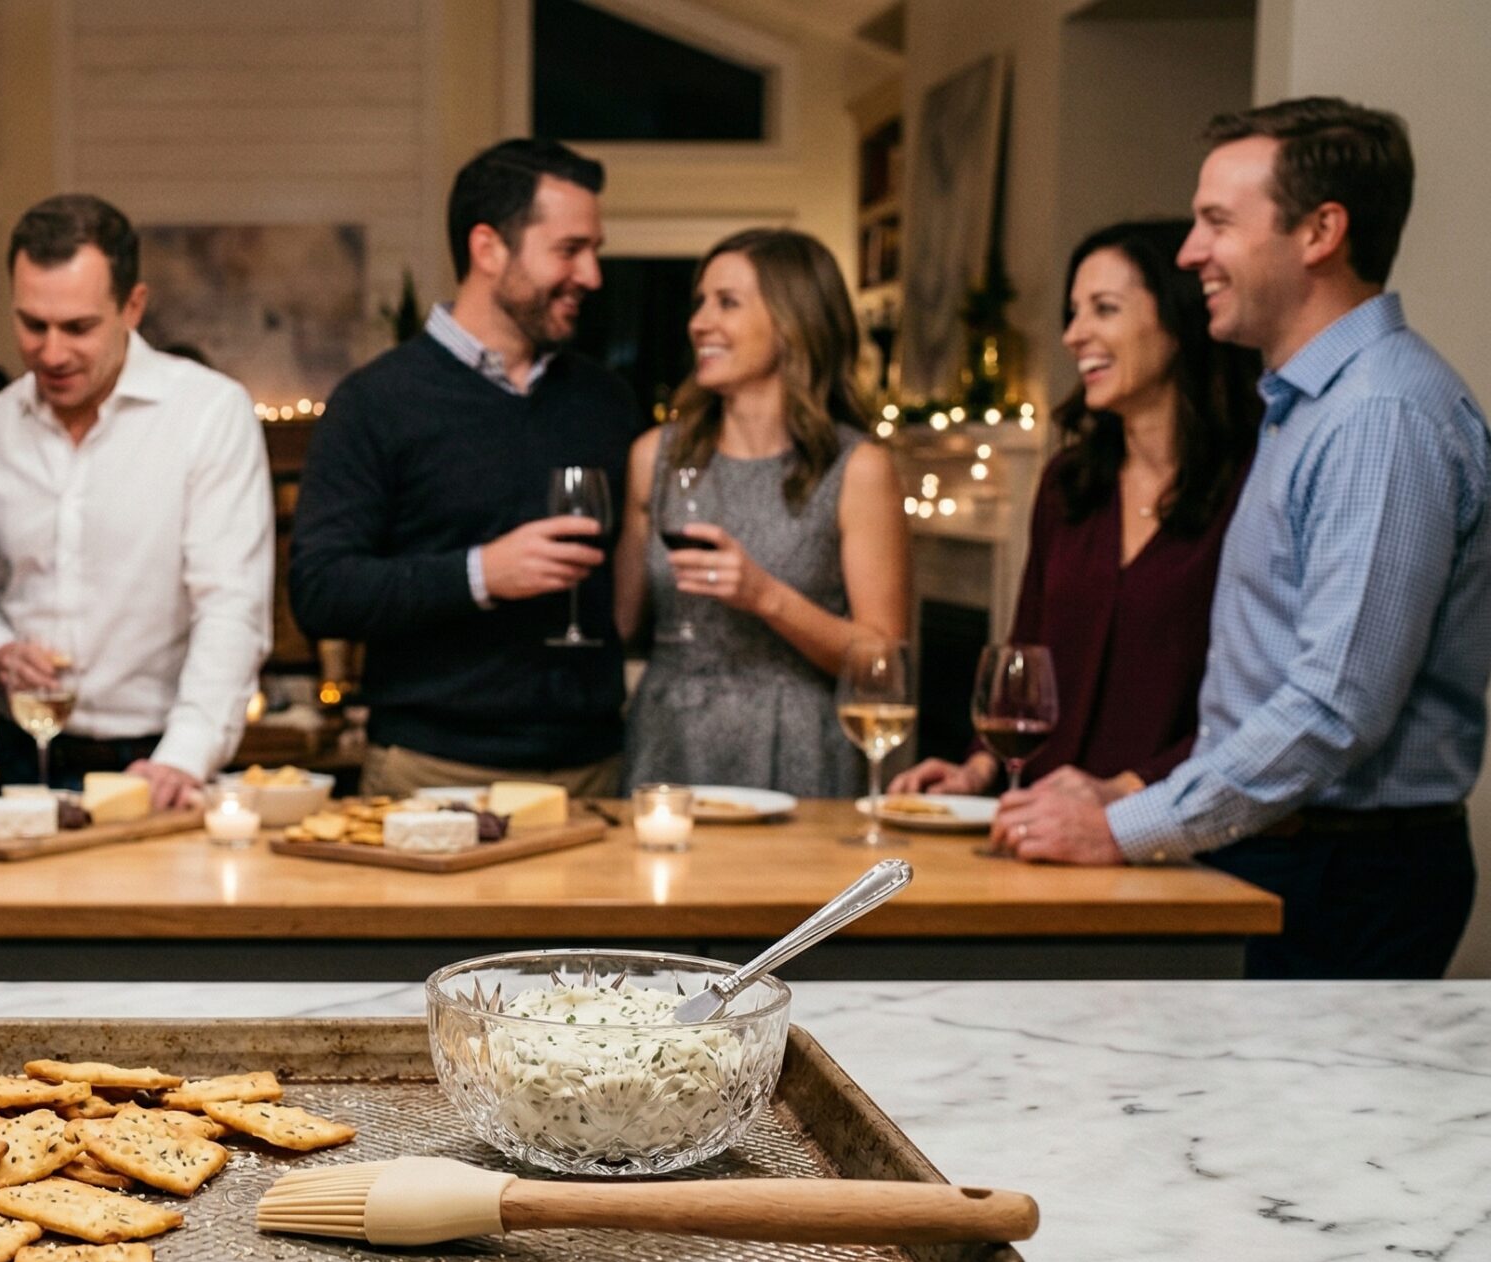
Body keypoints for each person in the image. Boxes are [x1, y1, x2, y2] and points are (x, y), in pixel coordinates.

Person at [994, 98, 1490, 980]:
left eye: (1217, 222)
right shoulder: (1305, 405)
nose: (1191, 253)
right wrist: (1120, 793)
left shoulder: (1377, 416)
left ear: (1320, 232)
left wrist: (1122, 826)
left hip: (1343, 870)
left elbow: (1336, 707)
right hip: (1279, 847)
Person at [292, 139, 637, 798]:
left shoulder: (606, 401)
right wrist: (483, 573)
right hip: (433, 774)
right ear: (488, 249)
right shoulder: (377, 401)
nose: (592, 275)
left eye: (594, 249)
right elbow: (322, 589)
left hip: (594, 773)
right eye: (569, 250)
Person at [896, 220, 1260, 799]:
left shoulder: (1254, 485)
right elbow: (1024, 655)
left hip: (1178, 836)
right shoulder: (1068, 485)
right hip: (1043, 827)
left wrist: (1120, 793)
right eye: (1074, 312)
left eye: (1104, 309)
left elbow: (1254, 704)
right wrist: (976, 769)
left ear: (1179, 317)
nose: (1074, 334)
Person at [0, 195, 273, 807]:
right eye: (31, 324)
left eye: (77, 328)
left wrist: (183, 758)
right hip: (18, 755)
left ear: (133, 306)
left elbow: (231, 607)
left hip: (154, 757)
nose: (51, 352)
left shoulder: (208, 413)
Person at [617, 229, 909, 798]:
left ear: (793, 321)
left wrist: (765, 597)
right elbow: (622, 624)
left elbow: (884, 662)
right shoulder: (654, 457)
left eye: (727, 303)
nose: (699, 322)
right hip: (667, 742)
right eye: (700, 302)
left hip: (797, 748)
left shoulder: (857, 469)